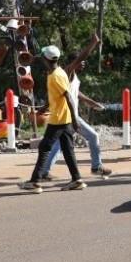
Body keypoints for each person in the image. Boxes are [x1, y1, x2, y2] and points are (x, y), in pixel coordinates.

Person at [38, 33, 112, 180]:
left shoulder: (72, 78)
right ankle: (96, 167)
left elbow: (76, 94)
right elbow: (80, 58)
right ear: (73, 63)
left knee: (58, 145)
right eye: (80, 62)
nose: (83, 64)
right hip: (69, 115)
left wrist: (93, 103)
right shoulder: (67, 72)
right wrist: (93, 43)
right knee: (92, 136)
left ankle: (44, 172)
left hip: (65, 116)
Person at [20, 46, 85, 193]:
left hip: (59, 119)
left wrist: (75, 120)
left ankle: (35, 181)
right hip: (64, 118)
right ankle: (77, 180)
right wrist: (44, 107)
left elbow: (68, 97)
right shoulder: (56, 72)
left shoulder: (56, 76)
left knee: (44, 148)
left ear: (46, 59)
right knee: (68, 150)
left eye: (42, 56)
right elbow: (57, 95)